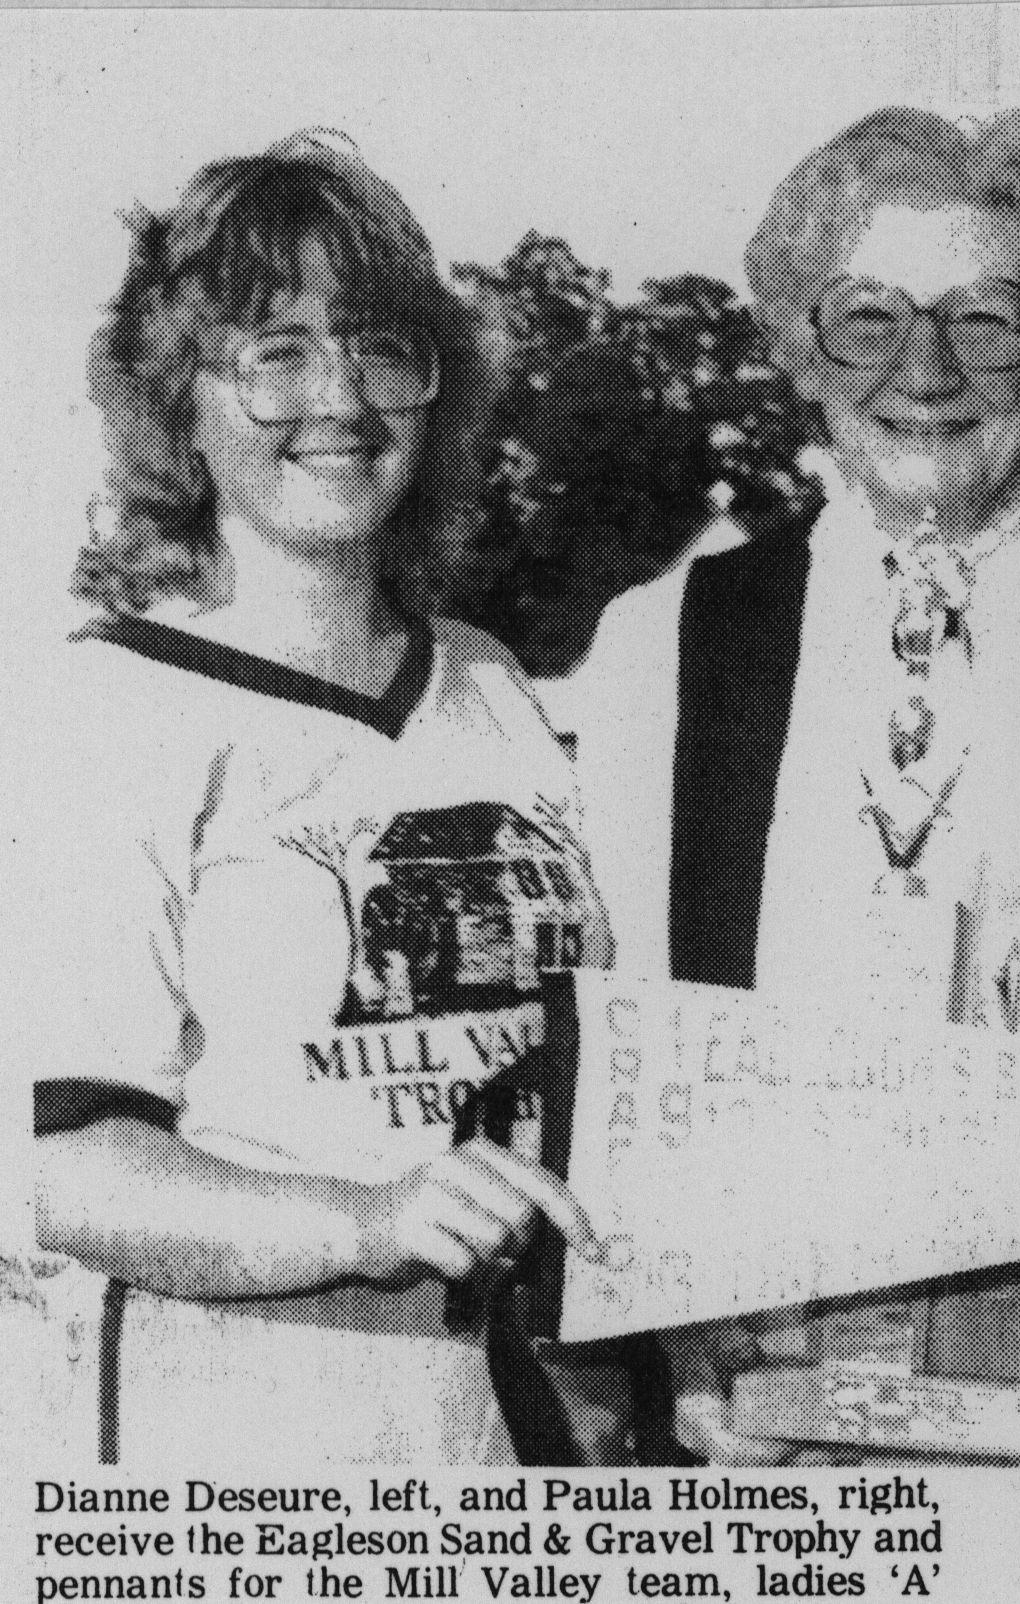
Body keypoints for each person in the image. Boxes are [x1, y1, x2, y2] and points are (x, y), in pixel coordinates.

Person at [554, 104, 1020, 1466]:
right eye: (867, 318)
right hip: (773, 1383)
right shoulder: (664, 638)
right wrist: (680, 1322)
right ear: (801, 341)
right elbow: (627, 1049)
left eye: (983, 318)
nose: (926, 368)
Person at [31, 133, 619, 1464]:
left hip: (530, 1434)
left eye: (379, 346)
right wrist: (369, 1217)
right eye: (276, 352)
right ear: (178, 398)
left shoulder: (487, 681)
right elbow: (61, 1165)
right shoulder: (108, 709)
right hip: (264, 1445)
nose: (340, 396)